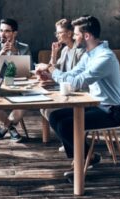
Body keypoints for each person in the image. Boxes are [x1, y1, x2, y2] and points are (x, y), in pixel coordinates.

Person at [36, 16, 120, 177]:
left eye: (76, 34)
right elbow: (71, 74)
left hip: (111, 111)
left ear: (86, 36)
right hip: (95, 105)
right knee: (55, 116)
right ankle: (87, 156)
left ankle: (81, 162)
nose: (74, 36)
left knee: (65, 125)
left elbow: (77, 82)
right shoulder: (89, 55)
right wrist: (49, 76)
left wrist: (51, 71)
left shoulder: (105, 57)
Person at [40, 18, 85, 152]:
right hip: (66, 88)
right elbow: (53, 69)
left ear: (70, 33)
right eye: (57, 33)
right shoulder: (65, 50)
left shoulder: (80, 52)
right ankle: (68, 138)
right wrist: (54, 54)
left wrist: (51, 73)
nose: (57, 35)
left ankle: (70, 139)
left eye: (60, 32)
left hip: (78, 92)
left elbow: (75, 79)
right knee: (43, 108)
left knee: (49, 110)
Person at [0, 18, 31, 142]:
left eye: (7, 31)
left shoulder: (24, 47)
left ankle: (3, 128)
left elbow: (29, 69)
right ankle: (10, 127)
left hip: (18, 85)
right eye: (1, 31)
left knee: (28, 99)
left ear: (15, 33)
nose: (3, 34)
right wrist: (0, 54)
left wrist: (16, 53)